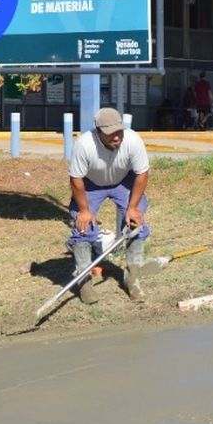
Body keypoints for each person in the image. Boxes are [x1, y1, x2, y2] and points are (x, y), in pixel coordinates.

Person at [68, 107, 151, 302]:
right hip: (90, 184)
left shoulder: (133, 140)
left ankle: (133, 279)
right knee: (82, 228)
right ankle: (84, 281)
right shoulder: (84, 144)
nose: (116, 137)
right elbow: (76, 179)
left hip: (123, 181)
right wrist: (84, 210)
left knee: (135, 224)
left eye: (119, 131)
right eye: (110, 134)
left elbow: (142, 174)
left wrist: (132, 207)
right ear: (98, 132)